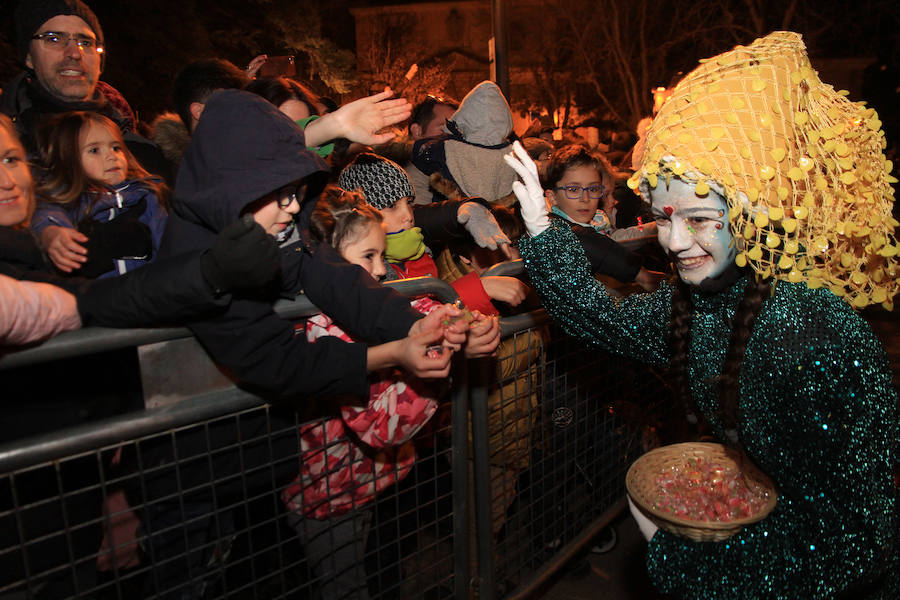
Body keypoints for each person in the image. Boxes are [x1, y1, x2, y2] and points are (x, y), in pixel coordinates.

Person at [507, 31, 899, 599]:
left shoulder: (817, 334)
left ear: (754, 215)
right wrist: (543, 228)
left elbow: (852, 540)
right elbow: (601, 318)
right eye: (662, 217)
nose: (673, 240)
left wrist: (679, 560)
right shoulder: (703, 302)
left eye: (697, 218)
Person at [138, 90, 482, 597]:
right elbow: (274, 359)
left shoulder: (267, 219)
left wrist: (419, 323)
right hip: (200, 477)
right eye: (281, 192)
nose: (295, 205)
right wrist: (391, 353)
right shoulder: (194, 256)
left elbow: (342, 282)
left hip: (267, 461)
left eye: (296, 190)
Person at [282, 186, 493, 600]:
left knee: (381, 574)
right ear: (328, 261)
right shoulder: (324, 324)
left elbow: (419, 309)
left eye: (382, 255)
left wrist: (466, 320)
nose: (380, 271)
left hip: (370, 484)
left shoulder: (366, 299)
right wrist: (441, 358)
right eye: (368, 258)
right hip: (328, 499)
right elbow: (380, 427)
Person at [3, 0, 173, 183]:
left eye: (85, 42)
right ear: (28, 57)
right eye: (54, 38)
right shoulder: (9, 148)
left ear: (99, 62)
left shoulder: (146, 159)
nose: (75, 53)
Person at [338, 151, 524, 314]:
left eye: (409, 203)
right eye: (391, 206)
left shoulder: (419, 250)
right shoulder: (363, 267)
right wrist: (479, 289)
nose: (408, 216)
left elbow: (429, 307)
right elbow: (406, 322)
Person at [30, 111, 168, 278]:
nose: (111, 156)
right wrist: (52, 232)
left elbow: (168, 248)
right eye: (94, 150)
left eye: (116, 148)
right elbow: (45, 212)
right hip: (95, 296)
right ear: (68, 159)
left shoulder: (147, 196)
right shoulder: (67, 199)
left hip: (144, 294)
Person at [542, 143, 663, 291]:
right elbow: (586, 241)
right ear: (552, 197)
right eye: (573, 190)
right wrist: (639, 273)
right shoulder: (554, 230)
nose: (585, 198)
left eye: (593, 189)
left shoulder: (593, 222)